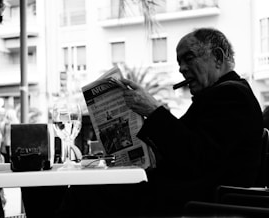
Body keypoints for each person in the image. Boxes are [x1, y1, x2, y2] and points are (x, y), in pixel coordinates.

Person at [22, 28, 264, 217]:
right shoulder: (222, 95)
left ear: (218, 58)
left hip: (191, 202)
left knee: (85, 191)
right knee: (69, 190)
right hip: (184, 195)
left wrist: (154, 110)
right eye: (179, 62)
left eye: (189, 59)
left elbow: (195, 156)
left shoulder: (231, 96)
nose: (181, 68)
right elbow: (190, 148)